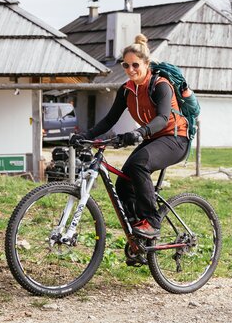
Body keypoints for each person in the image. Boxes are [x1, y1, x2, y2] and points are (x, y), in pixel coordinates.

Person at [70, 34, 189, 239]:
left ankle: (151, 222)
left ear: (146, 64)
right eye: (126, 65)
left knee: (138, 165)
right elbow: (109, 120)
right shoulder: (126, 90)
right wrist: (85, 136)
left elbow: (162, 118)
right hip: (153, 138)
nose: (130, 70)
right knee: (123, 183)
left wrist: (138, 132)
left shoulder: (160, 85)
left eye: (135, 65)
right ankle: (137, 234)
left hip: (175, 138)